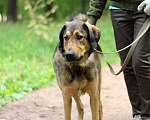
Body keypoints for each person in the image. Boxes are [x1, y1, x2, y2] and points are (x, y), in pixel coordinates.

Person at [87, 0, 150, 120]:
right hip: (118, 11)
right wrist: (91, 19)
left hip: (145, 9)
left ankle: (147, 115)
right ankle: (137, 113)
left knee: (140, 63)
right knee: (127, 63)